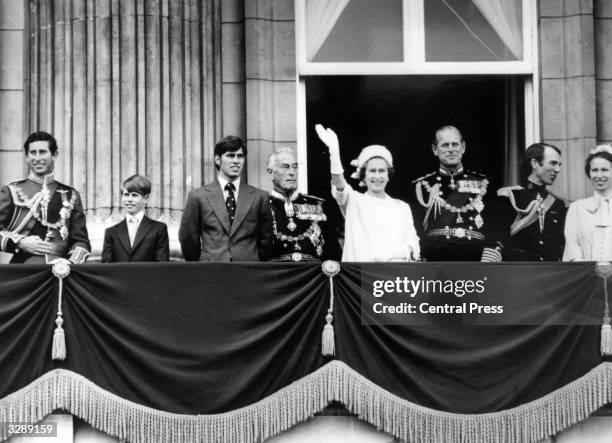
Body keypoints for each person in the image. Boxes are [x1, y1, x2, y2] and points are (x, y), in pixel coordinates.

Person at [315, 124, 419, 262]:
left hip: (394, 277)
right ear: (364, 176)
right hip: (359, 277)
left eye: (382, 171)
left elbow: (413, 244)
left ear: (389, 175)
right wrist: (334, 153)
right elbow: (339, 183)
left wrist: (394, 253)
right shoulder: (354, 201)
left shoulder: (402, 207)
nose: (377, 176)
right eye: (372, 171)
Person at [0, 131, 90, 264]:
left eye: (42, 152)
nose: (37, 158)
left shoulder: (70, 194)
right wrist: (20, 242)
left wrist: (70, 263)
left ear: (54, 155)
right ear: (27, 157)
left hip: (60, 272)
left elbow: (81, 241)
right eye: (33, 153)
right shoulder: (11, 191)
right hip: (22, 270)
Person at [179, 135, 273, 261]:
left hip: (248, 272)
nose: (236, 160)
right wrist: (201, 266)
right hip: (212, 271)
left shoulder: (259, 197)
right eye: (230, 155)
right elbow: (188, 239)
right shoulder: (198, 196)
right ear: (218, 160)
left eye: (240, 156)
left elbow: (265, 240)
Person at [413, 126, 489, 261]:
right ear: (435, 150)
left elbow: (494, 224)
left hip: (477, 257)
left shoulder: (483, 183)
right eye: (445, 145)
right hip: (436, 257)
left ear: (463, 147)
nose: (451, 149)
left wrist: (491, 253)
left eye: (455, 144)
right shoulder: (423, 185)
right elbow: (415, 228)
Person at [481, 143, 566, 262]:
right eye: (553, 163)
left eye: (559, 165)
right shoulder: (508, 197)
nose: (558, 169)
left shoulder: (558, 205)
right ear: (535, 163)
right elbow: (495, 241)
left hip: (550, 274)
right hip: (517, 273)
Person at [267, 147, 340, 261]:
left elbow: (332, 250)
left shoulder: (317, 204)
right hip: (276, 275)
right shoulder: (262, 205)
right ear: (270, 173)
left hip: (313, 274)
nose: (292, 172)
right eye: (285, 167)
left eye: (295, 167)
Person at [101, 175, 169, 262]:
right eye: (126, 195)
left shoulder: (159, 229)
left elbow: (162, 265)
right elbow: (106, 268)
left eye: (134, 195)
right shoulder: (111, 232)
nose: (129, 199)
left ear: (145, 198)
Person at [563, 145, 612, 261]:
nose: (599, 176)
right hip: (586, 276)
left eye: (604, 170)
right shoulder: (577, 208)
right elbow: (572, 245)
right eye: (594, 170)